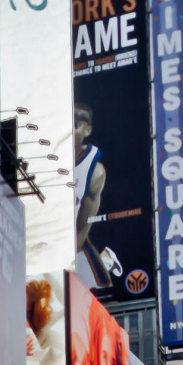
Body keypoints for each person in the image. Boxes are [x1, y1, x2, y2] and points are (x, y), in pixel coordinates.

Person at [74, 101, 112, 289]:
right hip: (37, 239)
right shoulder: (41, 152)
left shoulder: (94, 172)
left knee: (99, 294)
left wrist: (64, 266)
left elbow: (82, 229)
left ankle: (107, 260)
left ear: (87, 131)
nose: (69, 129)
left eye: (75, 125)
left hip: (72, 248)